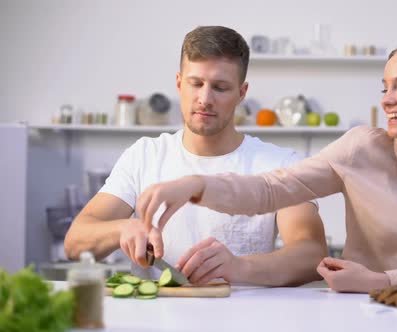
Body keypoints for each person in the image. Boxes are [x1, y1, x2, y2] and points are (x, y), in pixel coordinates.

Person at [135, 37, 397, 293]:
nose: (389, 100)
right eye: (385, 87)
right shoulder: (361, 148)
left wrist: (382, 280)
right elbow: (271, 189)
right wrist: (196, 184)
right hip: (362, 313)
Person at [64, 26, 328, 286]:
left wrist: (240, 266)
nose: (205, 98)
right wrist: (122, 228)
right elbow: (75, 243)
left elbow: (311, 255)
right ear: (179, 83)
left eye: (220, 87)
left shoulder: (280, 163)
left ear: (241, 93)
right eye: (196, 83)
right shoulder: (143, 155)